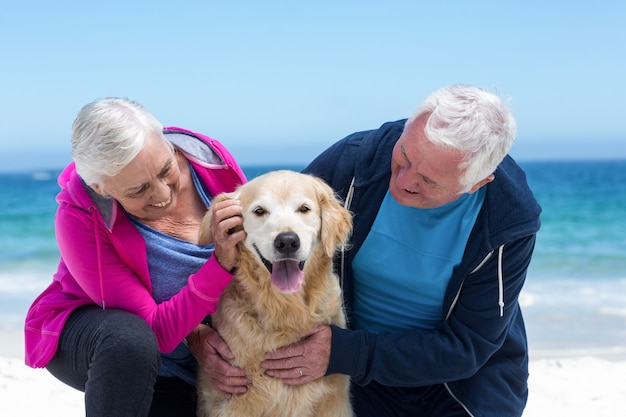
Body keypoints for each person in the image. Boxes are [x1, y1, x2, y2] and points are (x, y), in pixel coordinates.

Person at [205, 84, 542, 416]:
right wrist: (202, 334)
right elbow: (273, 231)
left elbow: (469, 347)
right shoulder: (356, 160)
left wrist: (347, 352)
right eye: (405, 157)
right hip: (360, 374)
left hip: (460, 383)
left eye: (429, 182)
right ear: (409, 128)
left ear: (477, 183)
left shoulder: (509, 218)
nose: (404, 180)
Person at [24, 97, 248, 417]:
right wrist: (221, 263)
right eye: (138, 190)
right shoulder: (78, 216)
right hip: (109, 340)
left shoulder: (209, 159)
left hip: (193, 337)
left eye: (166, 169)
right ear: (101, 188)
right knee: (130, 341)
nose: (162, 194)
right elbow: (157, 333)